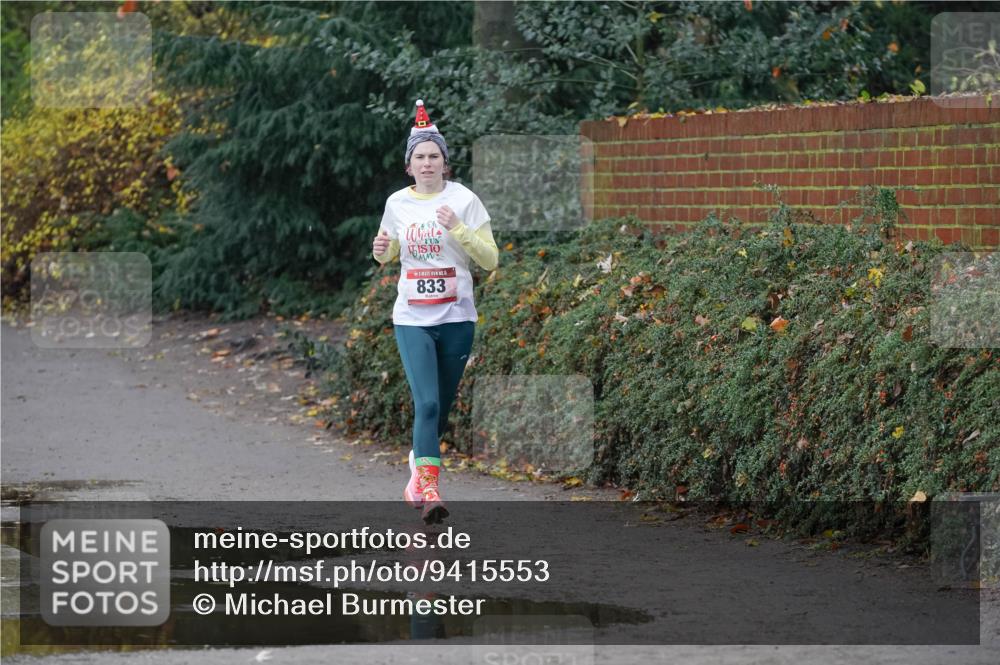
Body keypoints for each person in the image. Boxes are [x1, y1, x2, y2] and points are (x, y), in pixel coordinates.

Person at [372, 100, 499, 524]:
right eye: (419, 157)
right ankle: (430, 490)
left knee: (440, 408)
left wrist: (458, 228)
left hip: (458, 318)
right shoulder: (397, 204)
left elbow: (490, 260)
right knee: (426, 403)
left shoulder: (465, 200)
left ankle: (417, 470)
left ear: (445, 162)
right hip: (412, 317)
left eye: (434, 156)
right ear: (409, 166)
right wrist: (381, 250)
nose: (427, 163)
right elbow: (388, 253)